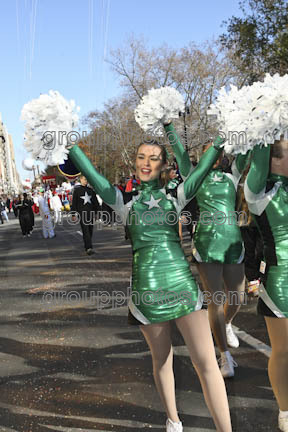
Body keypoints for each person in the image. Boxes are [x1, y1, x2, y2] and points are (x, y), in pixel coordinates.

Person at [67, 123, 232, 432]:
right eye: (141, 157)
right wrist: (69, 144)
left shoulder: (177, 197)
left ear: (164, 165)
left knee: (207, 363)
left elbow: (204, 166)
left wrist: (224, 134)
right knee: (162, 360)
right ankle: (173, 420)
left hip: (183, 287)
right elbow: (96, 178)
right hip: (148, 292)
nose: (146, 162)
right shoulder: (125, 204)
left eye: (154, 158)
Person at [165, 121, 249, 378]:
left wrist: (250, 120)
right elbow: (179, 151)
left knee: (237, 295)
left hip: (232, 241)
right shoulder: (194, 176)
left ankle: (228, 323)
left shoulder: (232, 175)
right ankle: (224, 355)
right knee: (216, 299)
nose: (217, 155)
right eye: (211, 151)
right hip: (206, 242)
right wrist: (169, 126)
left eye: (219, 151)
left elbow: (246, 151)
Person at [244, 138, 288, 432]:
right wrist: (262, 116)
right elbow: (259, 156)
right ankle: (285, 410)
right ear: (273, 159)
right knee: (284, 351)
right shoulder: (259, 191)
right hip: (281, 282)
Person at [71, 175, 100, 255]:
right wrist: (73, 214)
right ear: (81, 180)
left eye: (87, 179)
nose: (86, 181)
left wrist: (98, 212)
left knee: (90, 230)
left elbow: (95, 202)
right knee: (85, 231)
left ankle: (88, 244)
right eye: (84, 179)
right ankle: (88, 247)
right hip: (82, 214)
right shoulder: (77, 190)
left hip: (90, 214)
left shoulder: (91, 190)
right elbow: (74, 203)